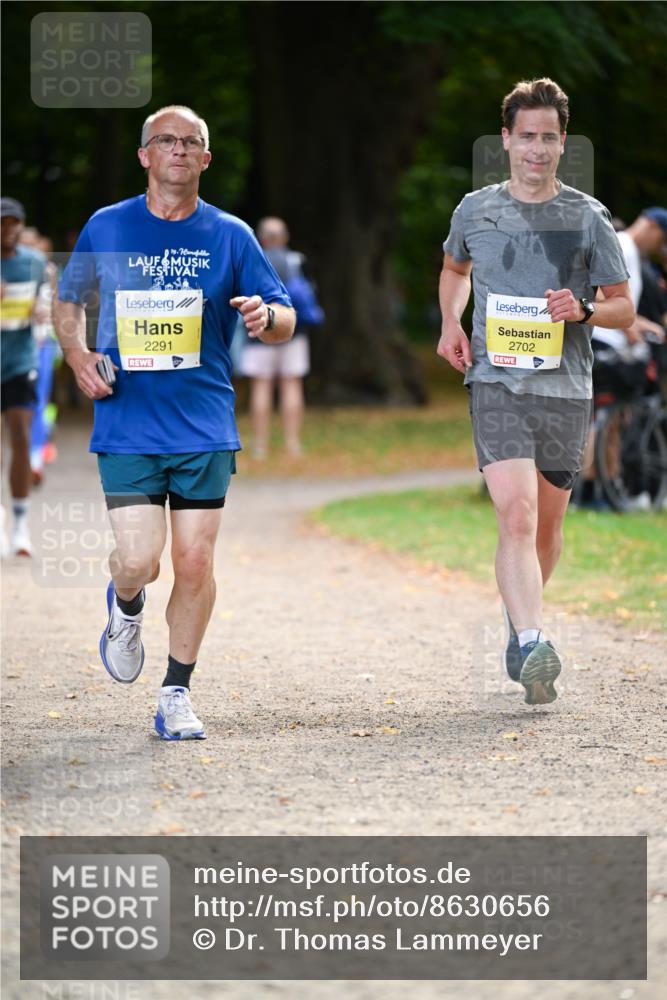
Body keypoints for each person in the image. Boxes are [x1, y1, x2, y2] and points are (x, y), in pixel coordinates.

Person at [54, 105, 295, 740]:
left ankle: (175, 694)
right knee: (139, 559)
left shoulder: (232, 234)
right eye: (167, 140)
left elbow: (285, 313)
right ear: (145, 155)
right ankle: (125, 606)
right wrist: (77, 355)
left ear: (207, 160)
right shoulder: (108, 226)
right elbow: (68, 298)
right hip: (128, 422)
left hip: (204, 424)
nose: (180, 151)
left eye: (192, 142)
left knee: (195, 562)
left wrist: (266, 320)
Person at [437, 78, 634, 705]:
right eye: (527, 137)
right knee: (515, 515)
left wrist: (580, 309)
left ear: (563, 143)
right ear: (506, 140)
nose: (538, 150)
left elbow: (623, 308)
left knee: (547, 530)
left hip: (566, 389)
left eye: (549, 138)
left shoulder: (587, 215)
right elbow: (453, 268)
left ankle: (518, 624)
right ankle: (531, 637)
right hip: (496, 382)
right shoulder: (475, 210)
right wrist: (449, 321)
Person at [239, 216, 323, 458]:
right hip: (293, 333)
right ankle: (293, 443)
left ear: (261, 238)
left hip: (257, 333)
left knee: (261, 387)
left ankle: (260, 446)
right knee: (292, 385)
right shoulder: (297, 260)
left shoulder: (253, 260)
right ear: (285, 238)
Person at [1, 197, 47, 556]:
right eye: (3, 222)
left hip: (19, 361)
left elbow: (48, 307)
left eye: (13, 222)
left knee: (20, 434)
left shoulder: (34, 264)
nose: (8, 229)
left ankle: (19, 525)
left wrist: (42, 309)